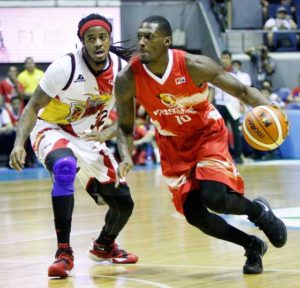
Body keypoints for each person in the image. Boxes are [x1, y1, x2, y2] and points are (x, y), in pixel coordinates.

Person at [114, 15, 287, 275]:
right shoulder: (128, 78)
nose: (141, 42)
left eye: (149, 37)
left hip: (207, 134)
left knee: (215, 198)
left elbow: (241, 90)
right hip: (172, 145)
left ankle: (257, 211)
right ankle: (251, 245)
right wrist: (126, 155)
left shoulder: (193, 65)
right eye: (139, 36)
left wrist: (271, 110)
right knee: (195, 215)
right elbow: (125, 128)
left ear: (167, 41)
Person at [9, 13, 138, 278]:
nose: (98, 43)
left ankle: (104, 246)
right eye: (91, 38)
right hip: (51, 129)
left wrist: (118, 145)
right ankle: (64, 253)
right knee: (65, 167)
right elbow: (33, 106)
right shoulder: (65, 67)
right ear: (82, 42)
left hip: (90, 138)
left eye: (103, 37)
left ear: (109, 39)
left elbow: (125, 122)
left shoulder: (122, 71)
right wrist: (18, 143)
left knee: (124, 204)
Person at [210, 51, 249, 164]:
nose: (224, 60)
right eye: (223, 58)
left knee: (235, 131)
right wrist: (208, 104)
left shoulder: (237, 74)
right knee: (220, 131)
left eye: (227, 58)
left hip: (232, 104)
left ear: (230, 59)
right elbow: (211, 89)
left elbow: (240, 91)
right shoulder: (216, 72)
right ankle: (224, 155)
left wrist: (242, 104)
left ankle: (238, 155)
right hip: (220, 104)